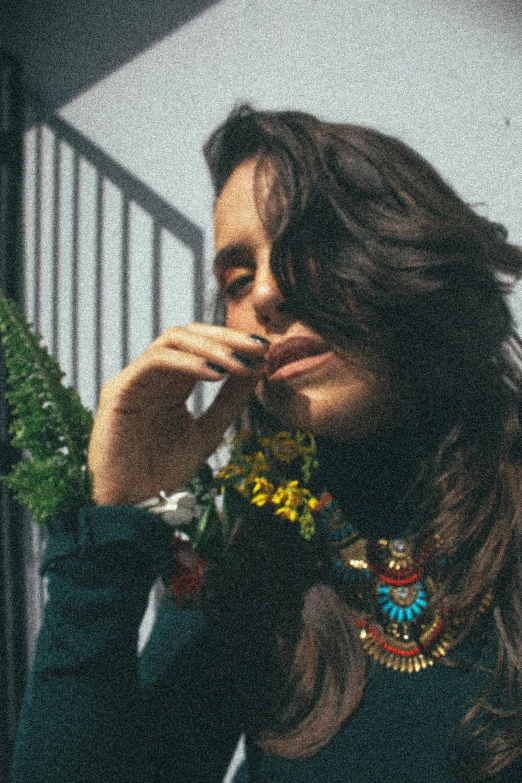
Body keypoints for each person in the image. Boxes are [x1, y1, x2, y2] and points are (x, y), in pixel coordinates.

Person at [11, 105, 522, 783]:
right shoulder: (244, 564)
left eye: (308, 243)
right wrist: (112, 526)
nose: (270, 292)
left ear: (401, 247)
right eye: (237, 279)